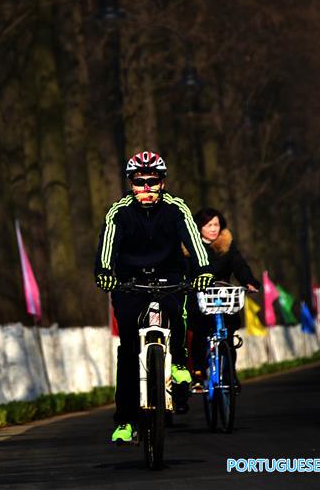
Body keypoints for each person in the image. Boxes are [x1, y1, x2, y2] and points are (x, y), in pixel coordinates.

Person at [94, 150, 214, 444]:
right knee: (128, 349)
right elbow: (107, 245)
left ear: (163, 182)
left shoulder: (177, 208)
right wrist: (104, 271)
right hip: (128, 283)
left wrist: (204, 270)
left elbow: (194, 241)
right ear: (131, 183)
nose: (146, 189)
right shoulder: (118, 211)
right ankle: (124, 421)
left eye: (152, 181)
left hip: (168, 277)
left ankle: (180, 364)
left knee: (179, 313)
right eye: (139, 182)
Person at [186, 208, 260, 390]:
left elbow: (240, 266)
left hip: (223, 295)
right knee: (199, 331)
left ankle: (230, 373)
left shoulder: (227, 246)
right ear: (199, 227)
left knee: (227, 335)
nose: (213, 229)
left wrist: (249, 281)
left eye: (216, 225)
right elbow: (182, 270)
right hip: (199, 296)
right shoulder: (189, 248)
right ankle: (198, 372)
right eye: (208, 225)